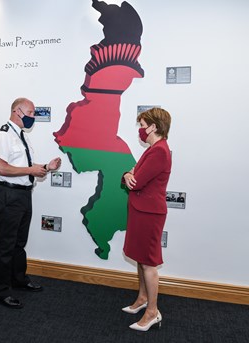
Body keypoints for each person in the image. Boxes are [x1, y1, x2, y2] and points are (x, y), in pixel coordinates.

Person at [0, 97, 61, 309]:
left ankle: (18, 280)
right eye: (30, 113)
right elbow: (2, 168)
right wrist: (31, 170)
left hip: (23, 195)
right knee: (5, 245)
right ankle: (1, 292)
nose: (32, 117)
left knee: (19, 243)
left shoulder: (20, 136)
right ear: (17, 111)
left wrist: (46, 167)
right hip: (9, 195)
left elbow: (25, 166)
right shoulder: (3, 135)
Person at [121, 107, 172, 331]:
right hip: (142, 210)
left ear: (154, 126)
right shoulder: (153, 149)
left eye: (142, 126)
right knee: (141, 258)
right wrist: (127, 174)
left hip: (149, 213)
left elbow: (137, 181)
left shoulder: (159, 151)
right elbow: (131, 175)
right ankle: (142, 299)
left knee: (149, 262)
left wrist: (130, 176)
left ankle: (152, 312)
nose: (141, 130)